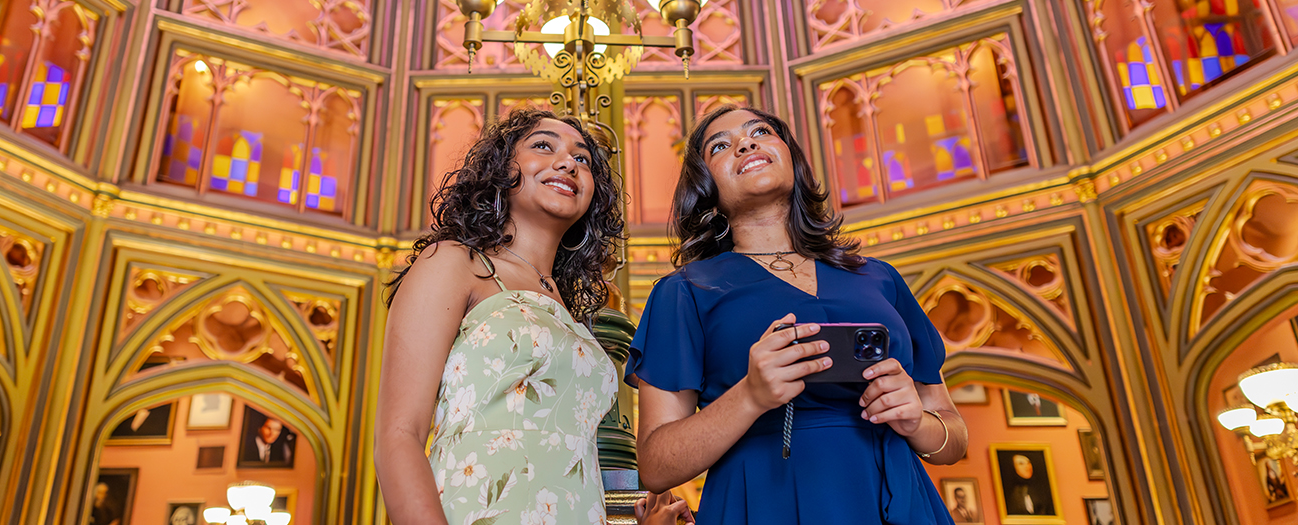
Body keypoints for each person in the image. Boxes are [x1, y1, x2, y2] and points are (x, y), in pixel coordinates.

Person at [627, 105, 968, 524]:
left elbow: (953, 438)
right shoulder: (685, 292)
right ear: (707, 188)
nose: (746, 143)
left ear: (790, 156)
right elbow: (656, 466)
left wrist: (916, 420)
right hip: (765, 500)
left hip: (896, 497)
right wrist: (749, 395)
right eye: (721, 145)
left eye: (761, 131)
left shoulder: (879, 277)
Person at [376, 108, 683, 525]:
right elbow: (398, 436)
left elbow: (562, 462)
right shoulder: (454, 262)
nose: (568, 163)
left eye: (583, 160)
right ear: (501, 170)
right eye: (543, 146)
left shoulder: (568, 311)